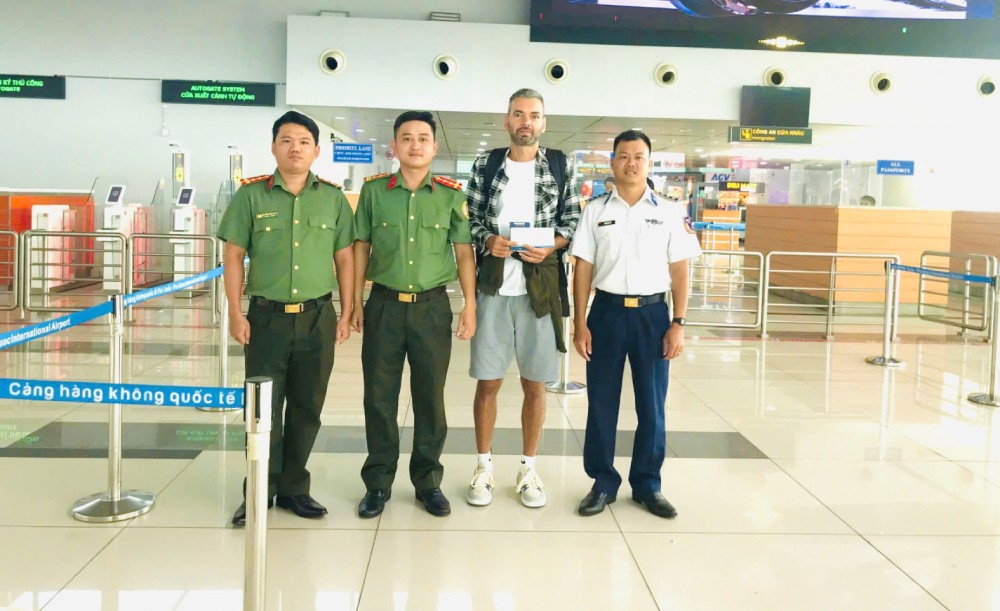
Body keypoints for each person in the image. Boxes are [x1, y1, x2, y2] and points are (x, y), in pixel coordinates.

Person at [217, 110, 356, 527]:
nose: (295, 148)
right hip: (266, 319)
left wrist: (347, 310)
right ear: (274, 147)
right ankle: (260, 490)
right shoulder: (251, 197)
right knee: (262, 410)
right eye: (287, 140)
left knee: (307, 407)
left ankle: (295, 487)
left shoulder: (332, 199)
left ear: (316, 150)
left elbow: (345, 258)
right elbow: (233, 256)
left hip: (317, 317)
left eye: (304, 142)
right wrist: (235, 311)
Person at [570, 130, 702, 519]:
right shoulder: (594, 210)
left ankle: (647, 485)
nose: (631, 163)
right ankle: (602, 483)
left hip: (653, 316)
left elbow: (680, 270)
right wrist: (580, 322)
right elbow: (583, 268)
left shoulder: (670, 211)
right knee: (601, 403)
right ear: (612, 162)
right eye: (624, 156)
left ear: (649, 163)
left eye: (638, 156)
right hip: (606, 314)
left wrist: (678, 323)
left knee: (652, 405)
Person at [352, 111, 477, 518]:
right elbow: (360, 247)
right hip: (384, 306)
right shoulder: (374, 192)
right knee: (379, 398)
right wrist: (353, 301)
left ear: (434, 147)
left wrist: (470, 304)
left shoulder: (450, 195)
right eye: (406, 138)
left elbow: (464, 253)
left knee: (430, 399)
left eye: (423, 138)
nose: (415, 145)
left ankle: (428, 482)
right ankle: (378, 483)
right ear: (394, 146)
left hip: (431, 309)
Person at [465, 88, 581, 508]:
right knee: (488, 382)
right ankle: (483, 467)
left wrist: (551, 244)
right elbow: (471, 219)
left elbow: (572, 219)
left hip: (539, 288)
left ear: (543, 123)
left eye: (533, 115)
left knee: (535, 383)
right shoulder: (486, 165)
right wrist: (488, 240)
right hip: (494, 286)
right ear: (507, 121)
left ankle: (528, 470)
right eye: (518, 114)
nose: (525, 121)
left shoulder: (561, 165)